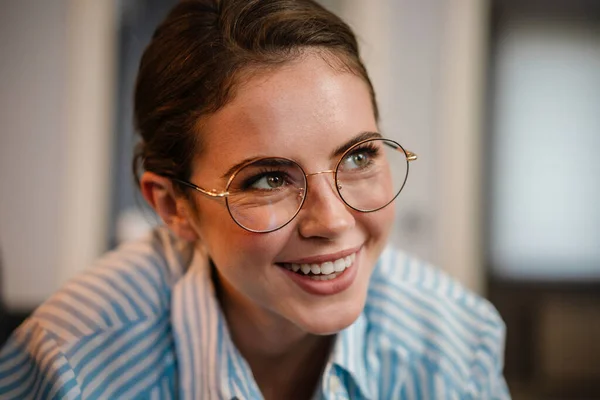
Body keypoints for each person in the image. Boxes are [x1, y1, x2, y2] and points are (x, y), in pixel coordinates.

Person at [0, 0, 510, 398]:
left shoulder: (455, 345)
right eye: (267, 179)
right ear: (174, 206)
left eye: (358, 157)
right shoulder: (71, 365)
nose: (332, 221)